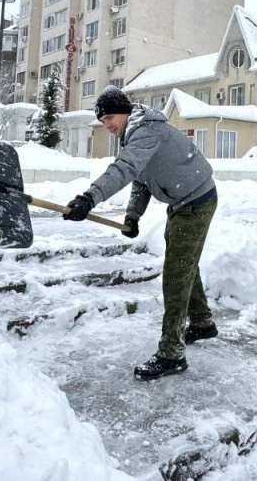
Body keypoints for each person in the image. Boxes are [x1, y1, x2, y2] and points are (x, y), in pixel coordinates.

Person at [62, 87, 219, 381]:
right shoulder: (135, 133)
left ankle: (172, 354)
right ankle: (201, 322)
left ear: (124, 111)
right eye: (103, 120)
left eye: (110, 117)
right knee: (183, 261)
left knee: (176, 272)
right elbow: (141, 179)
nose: (107, 124)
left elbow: (125, 168)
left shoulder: (145, 131)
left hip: (196, 200)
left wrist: (89, 198)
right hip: (184, 200)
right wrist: (133, 216)